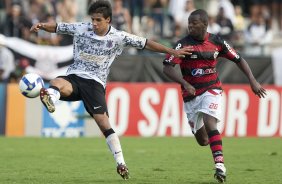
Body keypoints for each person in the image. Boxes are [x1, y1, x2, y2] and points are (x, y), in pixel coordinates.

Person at [30, 0, 191, 180]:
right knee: (57, 81)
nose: (94, 24)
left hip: (95, 83)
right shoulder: (81, 28)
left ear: (108, 20)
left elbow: (146, 43)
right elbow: (59, 27)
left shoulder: (119, 37)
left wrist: (172, 51)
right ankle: (50, 96)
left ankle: (120, 162)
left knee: (103, 123)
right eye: (92, 19)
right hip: (75, 76)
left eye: (98, 20)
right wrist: (43, 26)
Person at [163, 9, 266, 183]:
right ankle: (213, 144)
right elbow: (166, 68)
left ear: (204, 24)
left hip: (212, 88)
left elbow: (239, 59)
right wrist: (185, 83)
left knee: (211, 121)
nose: (190, 26)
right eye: (189, 23)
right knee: (203, 140)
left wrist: (252, 80)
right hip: (190, 95)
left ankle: (220, 165)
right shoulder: (182, 45)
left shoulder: (217, 42)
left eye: (194, 23)